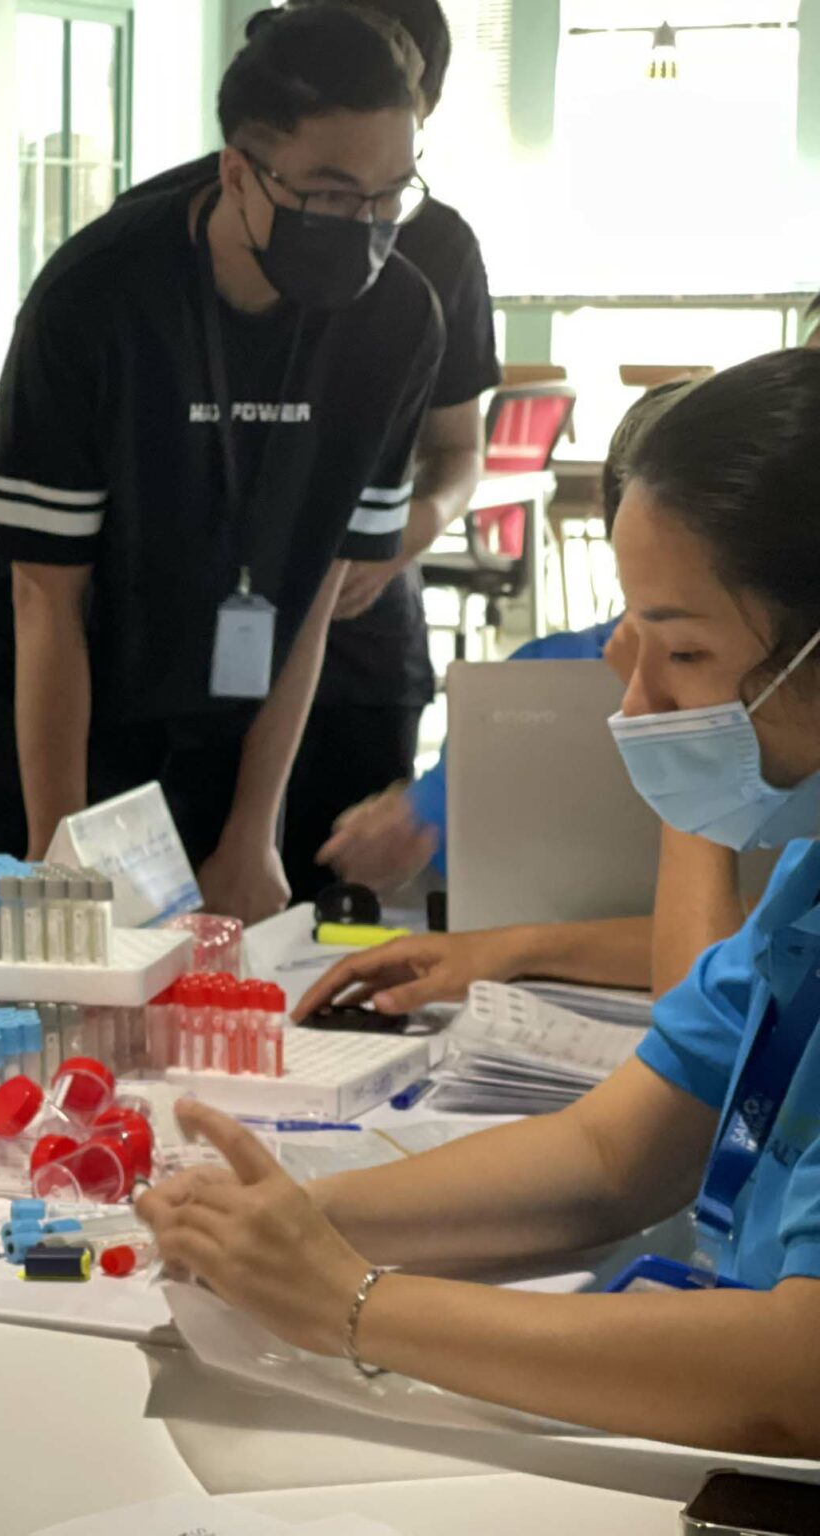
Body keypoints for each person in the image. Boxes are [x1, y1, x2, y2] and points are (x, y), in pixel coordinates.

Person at [142, 349, 820, 1456]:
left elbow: (798, 1371)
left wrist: (353, 1306)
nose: (636, 704)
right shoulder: (804, 876)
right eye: (634, 642)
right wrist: (286, 1218)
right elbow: (611, 1156)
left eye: (684, 651)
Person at [0, 6, 444, 922]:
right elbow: (44, 601)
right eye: (331, 195)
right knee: (51, 960)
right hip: (59, 683)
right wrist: (60, 848)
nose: (364, 226)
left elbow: (319, 597)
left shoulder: (400, 320)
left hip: (235, 689)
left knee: (220, 956)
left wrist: (254, 828)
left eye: (390, 197)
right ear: (237, 173)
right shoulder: (98, 298)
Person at [125, 0, 493, 902]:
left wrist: (396, 540)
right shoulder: (178, 224)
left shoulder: (433, 250)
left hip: (356, 642)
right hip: (188, 642)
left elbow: (458, 454)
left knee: (336, 917)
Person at [299, 381, 748, 1013]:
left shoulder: (772, 706)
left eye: (687, 651)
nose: (644, 703)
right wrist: (406, 831)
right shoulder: (545, 674)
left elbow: (716, 994)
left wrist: (686, 760)